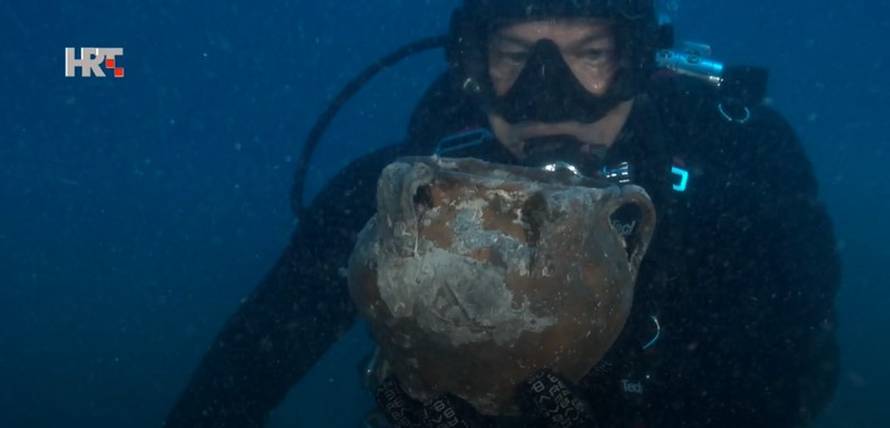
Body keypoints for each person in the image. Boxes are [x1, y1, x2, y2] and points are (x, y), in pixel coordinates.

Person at [164, 1, 841, 427]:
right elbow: (241, 373)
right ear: (471, 67)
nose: (549, 97)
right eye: (515, 57)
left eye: (591, 55)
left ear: (639, 60)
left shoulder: (739, 198)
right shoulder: (396, 194)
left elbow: (777, 389)